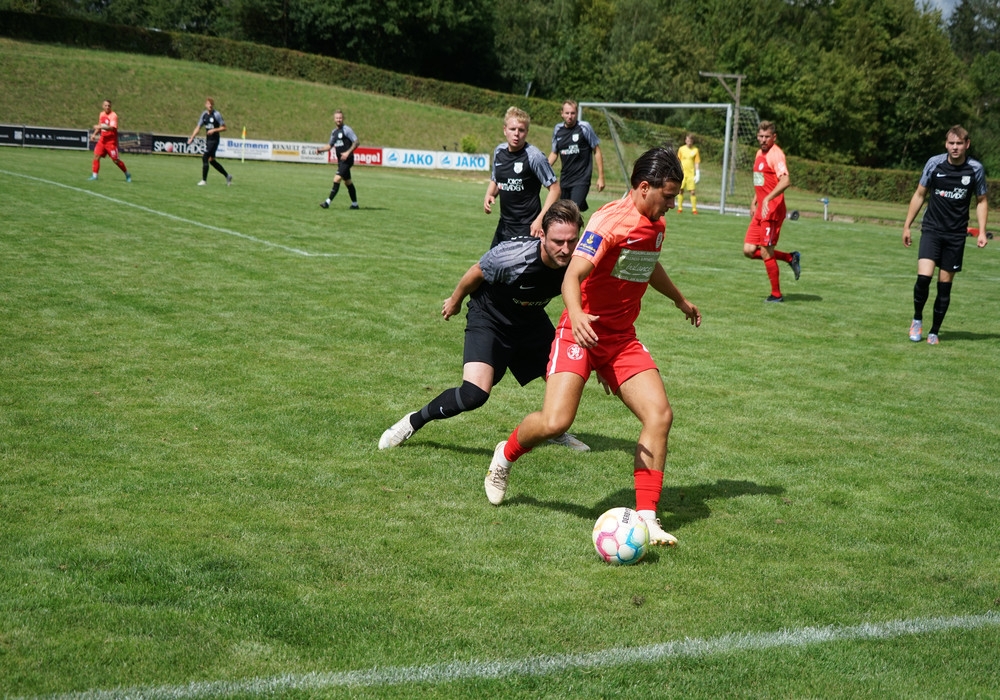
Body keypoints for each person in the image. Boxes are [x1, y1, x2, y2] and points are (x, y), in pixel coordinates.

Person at [484, 147, 702, 547]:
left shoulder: (656, 225)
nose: (672, 204)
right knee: (556, 422)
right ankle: (504, 455)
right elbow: (573, 276)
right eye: (668, 196)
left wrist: (679, 300)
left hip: (620, 339)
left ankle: (647, 518)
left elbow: (647, 264)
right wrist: (578, 316)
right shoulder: (608, 221)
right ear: (644, 187)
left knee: (659, 415)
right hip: (579, 331)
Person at [379, 200, 589, 452]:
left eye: (572, 241)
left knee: (564, 377)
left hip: (531, 321)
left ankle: (554, 430)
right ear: (542, 235)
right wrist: (455, 301)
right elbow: (477, 271)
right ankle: (413, 421)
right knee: (474, 395)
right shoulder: (513, 257)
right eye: (558, 241)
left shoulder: (579, 261)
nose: (565, 249)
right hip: (490, 318)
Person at [902, 125, 988, 345]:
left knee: (944, 286)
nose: (955, 147)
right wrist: (907, 226)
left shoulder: (975, 169)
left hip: (956, 235)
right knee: (923, 278)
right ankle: (917, 320)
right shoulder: (934, 164)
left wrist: (981, 231)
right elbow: (919, 194)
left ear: (967, 144)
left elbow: (981, 201)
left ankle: (934, 331)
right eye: (951, 143)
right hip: (931, 229)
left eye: (959, 143)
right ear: (946, 144)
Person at [485, 106, 560, 247]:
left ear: (527, 132)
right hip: (504, 225)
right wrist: (490, 194)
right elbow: (496, 178)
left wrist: (540, 219)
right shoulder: (499, 152)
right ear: (505, 130)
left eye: (521, 130)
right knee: (491, 261)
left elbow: (555, 189)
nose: (516, 134)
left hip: (527, 228)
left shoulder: (534, 156)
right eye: (512, 129)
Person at [742, 121, 800, 302]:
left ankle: (776, 295)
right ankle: (789, 257)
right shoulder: (759, 153)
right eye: (760, 136)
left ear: (774, 137)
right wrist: (754, 201)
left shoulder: (776, 155)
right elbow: (761, 181)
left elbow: (785, 180)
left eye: (767, 137)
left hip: (772, 210)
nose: (763, 140)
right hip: (761, 209)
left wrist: (767, 198)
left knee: (766, 251)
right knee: (749, 250)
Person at [548, 100, 605, 213]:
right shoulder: (558, 129)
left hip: (581, 178)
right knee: (565, 212)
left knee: (573, 211)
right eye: (567, 113)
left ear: (577, 113)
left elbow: (597, 151)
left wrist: (601, 177)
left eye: (573, 113)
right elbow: (554, 153)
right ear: (562, 113)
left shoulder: (584, 127)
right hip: (565, 179)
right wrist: (543, 170)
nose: (570, 116)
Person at [319, 109, 360, 210]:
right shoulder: (334, 132)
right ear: (334, 119)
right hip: (341, 161)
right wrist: (320, 150)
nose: (338, 120)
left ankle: (327, 202)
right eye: (337, 118)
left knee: (337, 179)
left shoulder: (347, 130)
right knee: (348, 182)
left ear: (343, 118)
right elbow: (330, 146)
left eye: (340, 118)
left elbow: (356, 142)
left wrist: (347, 152)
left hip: (348, 159)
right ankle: (355, 204)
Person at [187, 98, 232, 186]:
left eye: (211, 104)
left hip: (215, 140)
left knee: (205, 156)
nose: (210, 105)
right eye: (208, 104)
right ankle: (227, 176)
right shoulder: (204, 115)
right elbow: (198, 127)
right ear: (205, 105)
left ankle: (204, 181)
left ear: (213, 105)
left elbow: (224, 127)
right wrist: (192, 137)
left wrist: (214, 130)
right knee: (211, 161)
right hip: (208, 140)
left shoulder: (217, 114)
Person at [88, 99, 131, 182]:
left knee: (116, 160)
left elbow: (111, 128)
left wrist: (100, 127)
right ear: (103, 106)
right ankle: (94, 176)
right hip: (102, 140)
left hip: (111, 142)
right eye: (106, 105)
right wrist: (94, 134)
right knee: (96, 156)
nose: (107, 107)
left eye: (109, 106)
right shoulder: (101, 114)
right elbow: (100, 125)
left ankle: (127, 174)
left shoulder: (113, 115)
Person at [676, 134, 700, 214]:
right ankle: (680, 208)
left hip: (691, 174)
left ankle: (694, 209)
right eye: (688, 140)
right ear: (685, 141)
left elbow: (696, 162)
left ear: (692, 141)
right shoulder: (681, 149)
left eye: (690, 140)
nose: (689, 142)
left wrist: (698, 173)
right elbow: (678, 160)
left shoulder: (695, 150)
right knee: (680, 190)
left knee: (692, 191)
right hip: (682, 173)